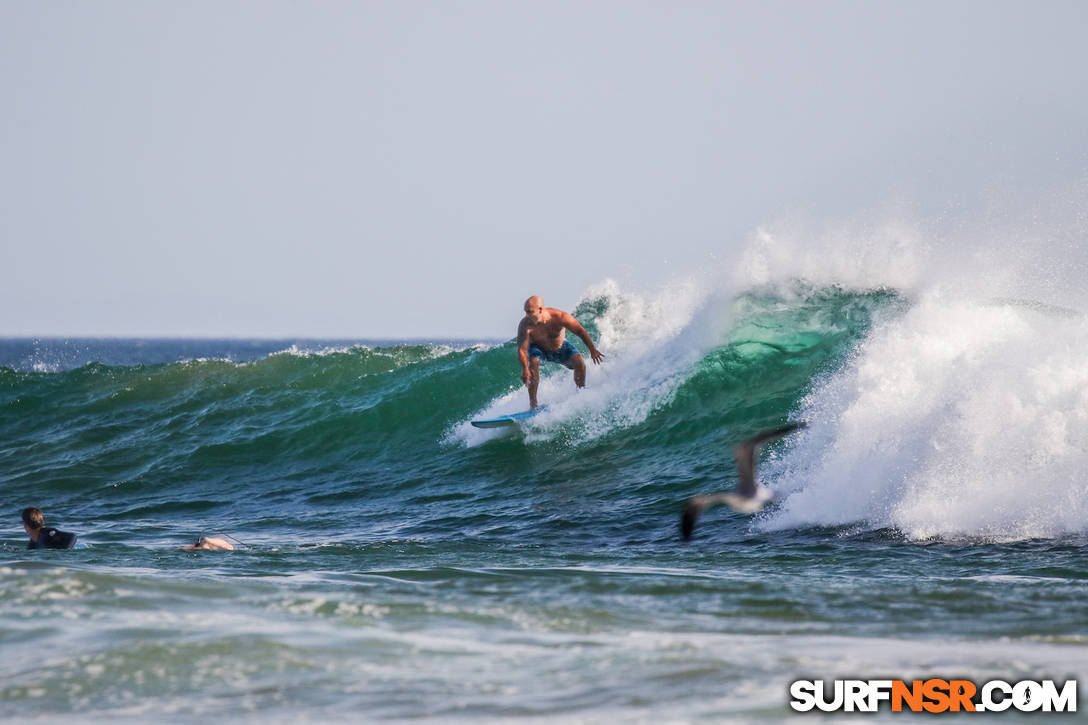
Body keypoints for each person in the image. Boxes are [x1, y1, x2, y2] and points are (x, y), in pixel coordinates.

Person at [517, 295, 605, 409]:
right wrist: (525, 369)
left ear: (540, 309)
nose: (527, 316)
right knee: (533, 361)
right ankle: (533, 404)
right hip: (539, 349)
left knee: (580, 363)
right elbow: (522, 350)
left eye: (530, 312)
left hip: (560, 348)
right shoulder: (525, 325)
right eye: (526, 312)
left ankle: (581, 393)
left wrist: (592, 349)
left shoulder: (560, 317)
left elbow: (580, 331)